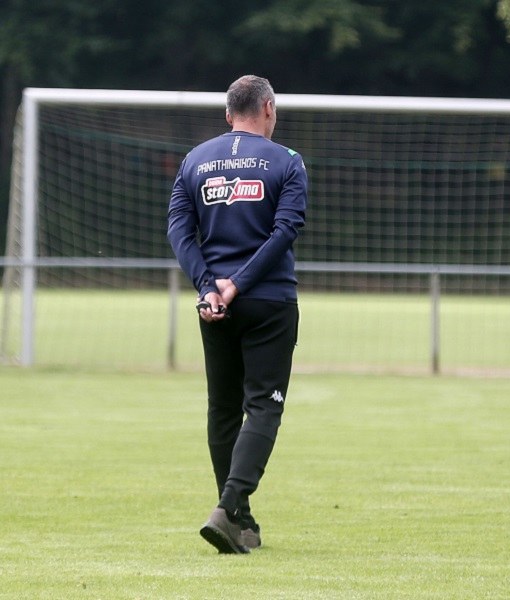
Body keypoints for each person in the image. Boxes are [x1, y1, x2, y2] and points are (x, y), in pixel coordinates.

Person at [167, 75, 307, 554]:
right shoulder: (287, 161)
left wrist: (210, 286)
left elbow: (179, 231)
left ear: (229, 114)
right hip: (267, 300)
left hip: (214, 306)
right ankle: (229, 509)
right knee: (264, 405)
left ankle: (240, 521)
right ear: (267, 108)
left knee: (222, 408)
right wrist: (238, 284)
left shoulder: (194, 160)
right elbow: (285, 230)